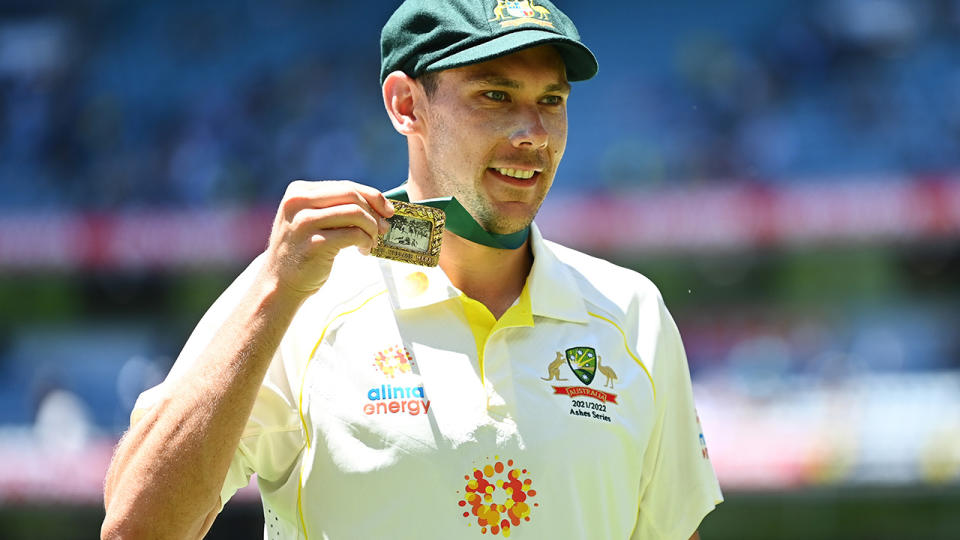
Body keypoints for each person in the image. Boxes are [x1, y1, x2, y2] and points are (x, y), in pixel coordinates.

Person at [101, 1, 722, 538]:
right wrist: (274, 289)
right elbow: (138, 529)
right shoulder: (296, 294)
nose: (532, 133)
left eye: (551, 100)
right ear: (406, 105)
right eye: (495, 95)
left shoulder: (630, 311)